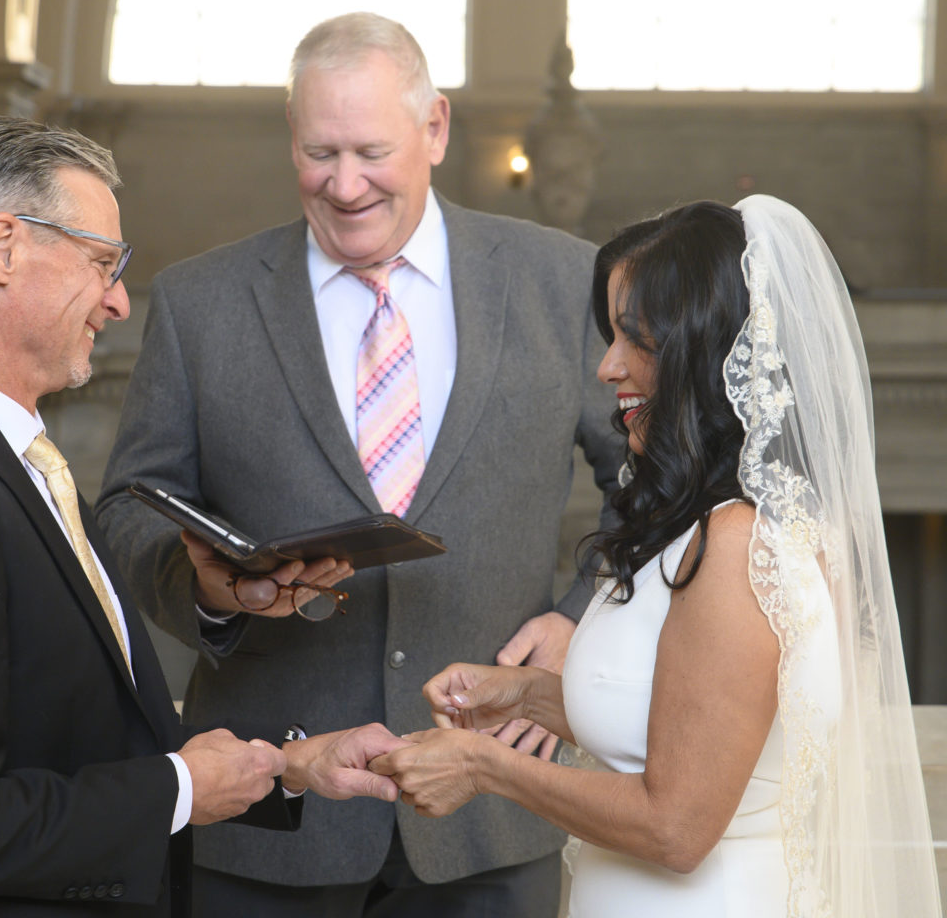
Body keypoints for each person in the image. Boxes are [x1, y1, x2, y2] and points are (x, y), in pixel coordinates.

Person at [95, 13, 622, 916]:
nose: (344, 186)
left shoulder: (563, 281)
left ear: (436, 130)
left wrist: (585, 620)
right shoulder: (199, 301)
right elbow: (126, 509)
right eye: (318, 152)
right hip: (266, 812)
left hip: (492, 808)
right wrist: (212, 590)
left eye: (371, 150)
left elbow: (652, 485)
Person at [0, 115, 405, 918]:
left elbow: (84, 741)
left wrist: (289, 767)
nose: (121, 301)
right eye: (103, 263)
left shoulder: (16, 466)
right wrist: (180, 786)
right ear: (3, 249)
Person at [371, 195, 943, 917]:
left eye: (634, 339)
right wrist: (526, 697)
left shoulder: (735, 547)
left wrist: (485, 767)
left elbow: (676, 827)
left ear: (706, 351)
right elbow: (685, 724)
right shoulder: (707, 527)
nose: (608, 367)